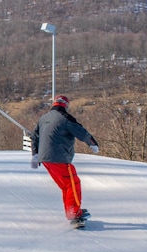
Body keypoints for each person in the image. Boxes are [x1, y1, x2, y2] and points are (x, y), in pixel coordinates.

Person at [30, 95, 99, 225]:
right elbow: (81, 131)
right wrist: (92, 143)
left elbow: (34, 137)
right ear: (66, 106)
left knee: (66, 186)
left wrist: (35, 155)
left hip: (45, 159)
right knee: (73, 184)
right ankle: (74, 213)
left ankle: (71, 210)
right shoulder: (65, 118)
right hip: (59, 158)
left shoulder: (43, 118)